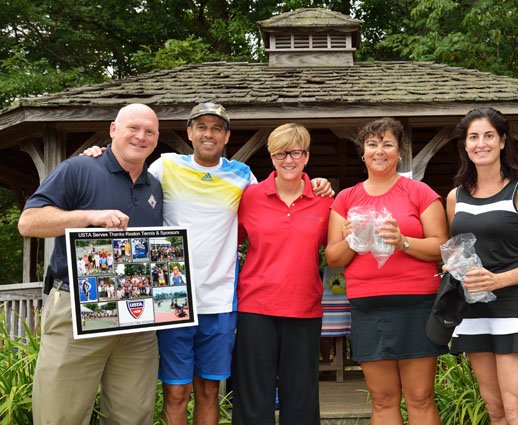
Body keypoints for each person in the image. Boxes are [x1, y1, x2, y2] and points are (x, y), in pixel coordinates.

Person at [83, 102, 332, 425]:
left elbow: (283, 191)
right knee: (176, 393)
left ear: (227, 136)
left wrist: (317, 183)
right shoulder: (165, 166)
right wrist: (97, 157)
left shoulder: (243, 177)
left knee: (209, 391)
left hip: (219, 301)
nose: (208, 134)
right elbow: (124, 168)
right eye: (201, 127)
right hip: (171, 299)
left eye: (216, 128)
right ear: (190, 132)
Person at [18, 103, 163, 425]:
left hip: (137, 315)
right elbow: (29, 223)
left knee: (134, 415)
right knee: (60, 414)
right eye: (133, 128)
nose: (141, 137)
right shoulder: (79, 168)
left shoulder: (153, 184)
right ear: (113, 129)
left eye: (149, 131)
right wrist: (88, 218)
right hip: (77, 305)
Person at [325, 117, 448, 425]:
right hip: (368, 306)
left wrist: (403, 242)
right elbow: (333, 258)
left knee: (420, 396)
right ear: (362, 152)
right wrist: (354, 240)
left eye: (387, 144)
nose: (379, 151)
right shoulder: (346, 198)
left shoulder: (419, 192)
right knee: (382, 399)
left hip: (416, 304)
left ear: (399, 151)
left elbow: (441, 247)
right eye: (372, 144)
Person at [445, 107, 518, 425]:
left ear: (503, 141)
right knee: (495, 410)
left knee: (517, 409)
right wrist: (456, 267)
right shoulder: (456, 197)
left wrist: (498, 281)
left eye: (489, 136)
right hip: (474, 308)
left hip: (515, 307)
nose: (481, 143)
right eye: (473, 137)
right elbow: (455, 252)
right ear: (465, 145)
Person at [233, 123, 333, 425]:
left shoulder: (325, 200)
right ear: (270, 156)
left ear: (306, 156)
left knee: (301, 395)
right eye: (279, 154)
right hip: (255, 306)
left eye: (295, 152)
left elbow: (341, 249)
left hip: (304, 307)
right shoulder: (249, 196)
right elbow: (226, 241)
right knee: (253, 395)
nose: (288, 160)